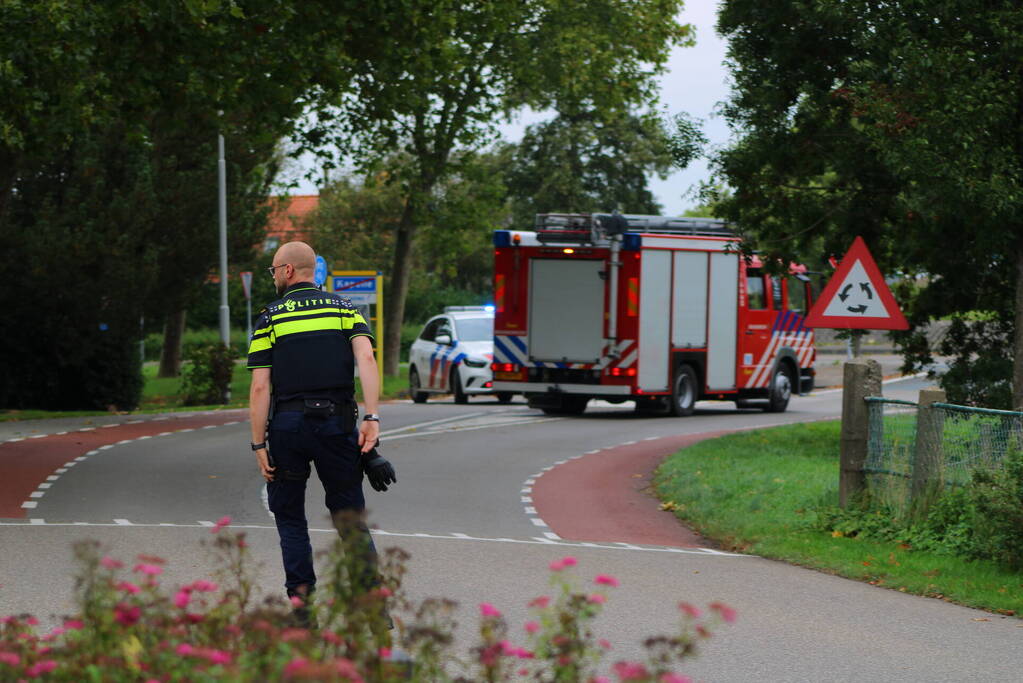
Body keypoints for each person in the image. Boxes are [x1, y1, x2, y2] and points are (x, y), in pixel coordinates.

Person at [246, 240, 396, 625]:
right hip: (337, 424)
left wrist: (258, 443)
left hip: (288, 428)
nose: (274, 277)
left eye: (275, 270)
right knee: (349, 517)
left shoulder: (270, 317)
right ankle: (374, 609)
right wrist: (372, 417)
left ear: (288, 271)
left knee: (291, 518)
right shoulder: (345, 310)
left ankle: (303, 610)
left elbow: (261, 386)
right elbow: (366, 357)